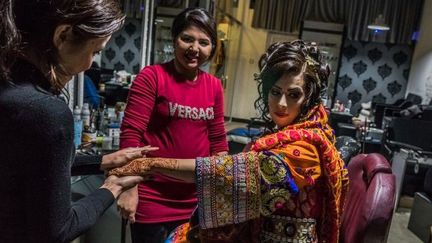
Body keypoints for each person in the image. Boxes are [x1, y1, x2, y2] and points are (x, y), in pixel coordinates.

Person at [111, 40, 349, 243]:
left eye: (294, 94)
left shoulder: (307, 148)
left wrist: (150, 164)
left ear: (308, 98)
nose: (282, 104)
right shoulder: (285, 135)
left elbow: (237, 175)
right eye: (275, 92)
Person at [0, 1, 156, 242]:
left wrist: (102, 161)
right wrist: (113, 187)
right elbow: (57, 231)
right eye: (95, 52)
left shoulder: (9, 90)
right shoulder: (46, 113)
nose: (89, 65)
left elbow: (25, 167)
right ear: (63, 35)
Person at [117, 7, 228, 243]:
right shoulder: (152, 76)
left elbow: (218, 141)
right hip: (152, 199)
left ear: (212, 48)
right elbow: (130, 135)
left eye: (204, 42)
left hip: (196, 202)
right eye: (187, 39)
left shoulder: (214, 87)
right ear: (174, 39)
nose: (194, 49)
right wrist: (128, 188)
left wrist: (222, 189)